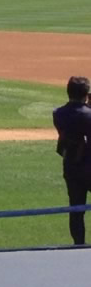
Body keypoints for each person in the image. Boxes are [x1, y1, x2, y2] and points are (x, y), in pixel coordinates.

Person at [54, 75, 91, 246]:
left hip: (71, 167)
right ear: (86, 94)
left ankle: (79, 244)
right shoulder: (88, 115)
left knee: (76, 209)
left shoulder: (58, 114)